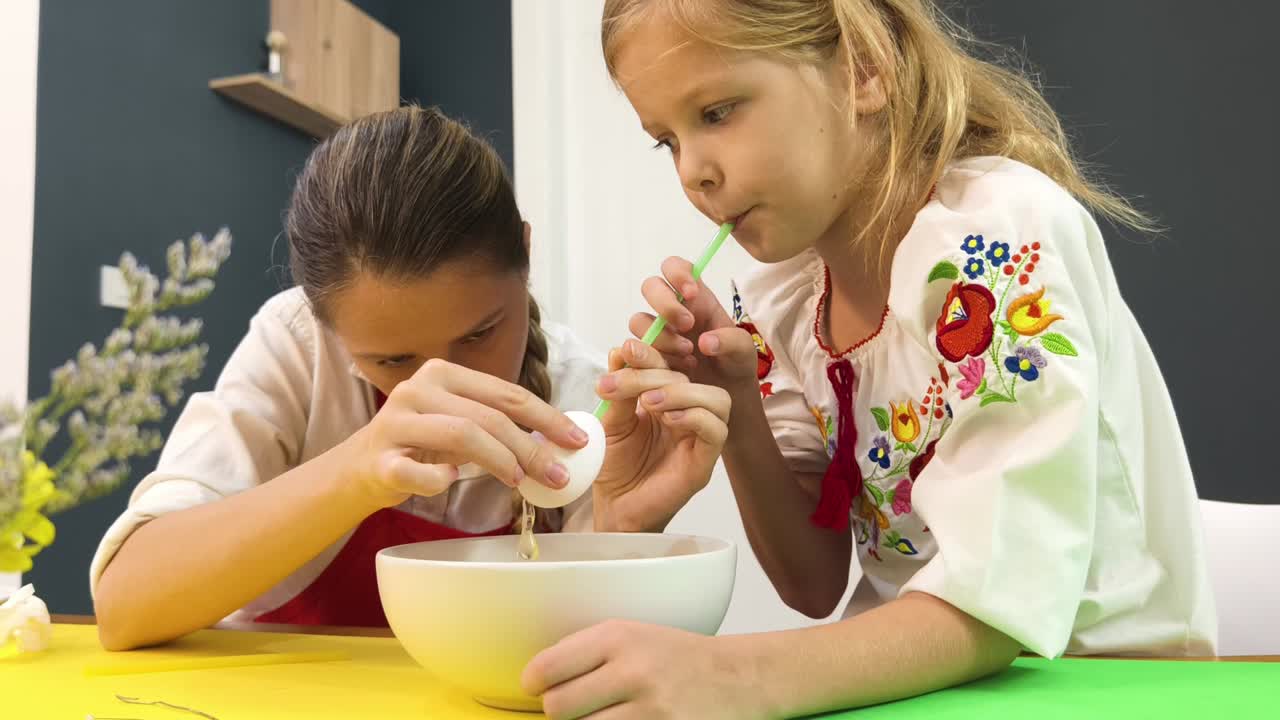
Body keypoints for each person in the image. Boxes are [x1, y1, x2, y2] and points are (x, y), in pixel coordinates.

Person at [520, 2, 1216, 718]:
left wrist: (734, 676)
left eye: (719, 112)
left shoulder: (993, 240)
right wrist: (740, 417)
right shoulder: (779, 297)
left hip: (1099, 686)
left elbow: (1001, 601)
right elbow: (813, 585)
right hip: (923, 690)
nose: (694, 171)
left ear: (863, 70)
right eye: (666, 140)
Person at [91, 105, 730, 651]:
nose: (443, 383)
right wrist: (358, 470)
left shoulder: (582, 402)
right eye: (394, 361)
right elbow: (124, 605)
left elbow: (594, 665)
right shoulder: (295, 347)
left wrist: (623, 533)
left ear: (526, 259)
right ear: (325, 321)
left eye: (480, 334)